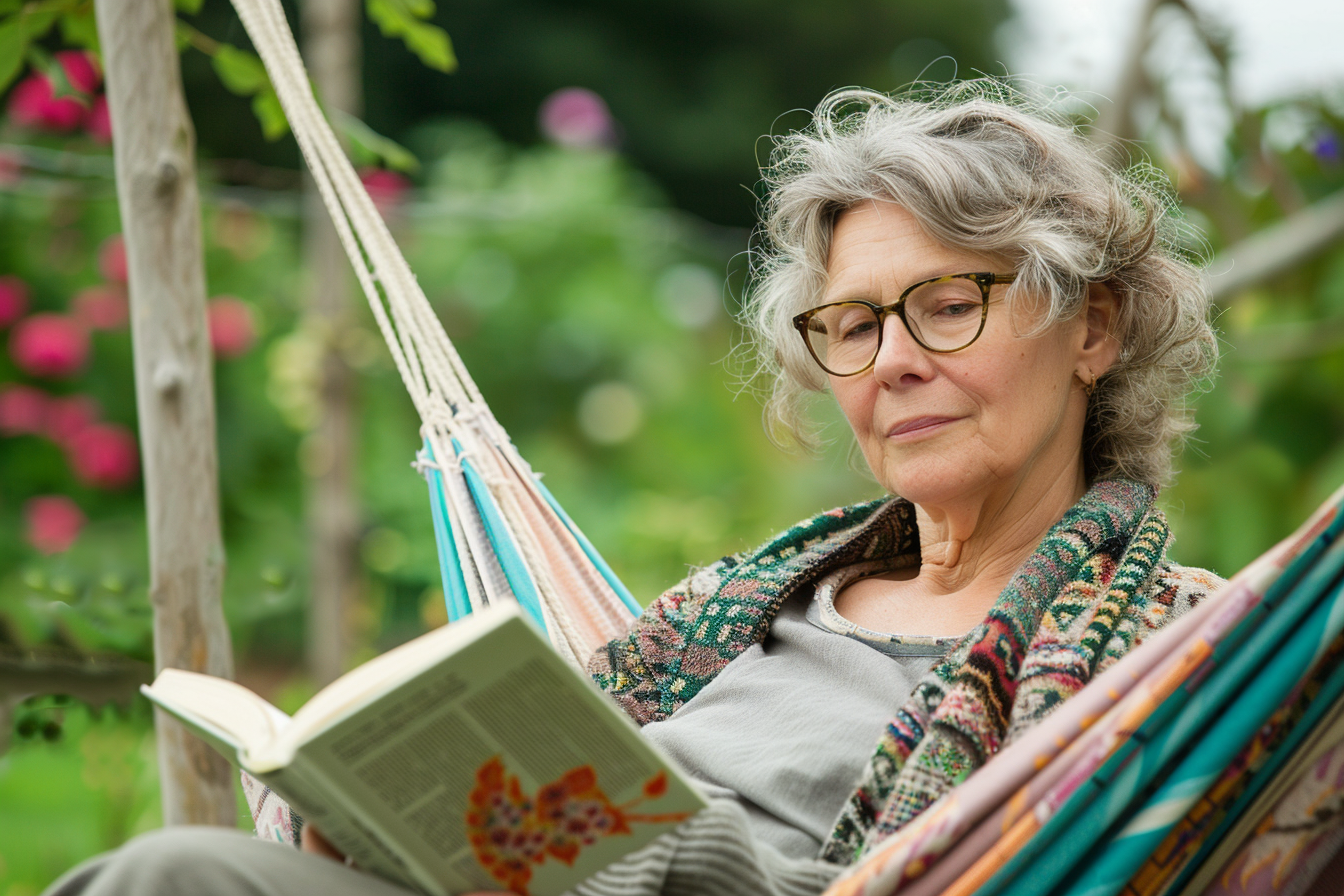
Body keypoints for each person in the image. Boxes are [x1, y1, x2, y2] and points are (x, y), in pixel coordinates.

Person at [43, 80, 1223, 896]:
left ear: (1093, 327)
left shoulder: (1169, 653)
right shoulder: (748, 603)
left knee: (168, 875)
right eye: (852, 324)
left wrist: (615, 852)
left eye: (948, 305)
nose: (894, 359)